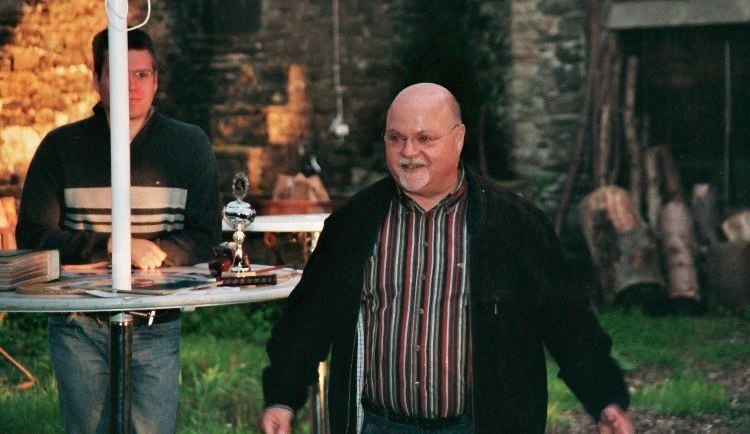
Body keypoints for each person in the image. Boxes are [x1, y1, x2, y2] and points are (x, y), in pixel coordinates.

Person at [260, 83, 633, 434]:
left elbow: (569, 322)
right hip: (379, 425)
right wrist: (281, 398)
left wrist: (605, 399)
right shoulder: (353, 224)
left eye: (425, 139)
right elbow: (306, 321)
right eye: (396, 138)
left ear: (458, 139)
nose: (409, 152)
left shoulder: (514, 224)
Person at [16, 28, 221, 434]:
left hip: (155, 320)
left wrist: (152, 253)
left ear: (156, 80)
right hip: (77, 321)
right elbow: (34, 235)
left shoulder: (188, 145)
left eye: (142, 75)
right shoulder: (61, 147)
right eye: (118, 75)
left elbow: (205, 236)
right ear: (96, 80)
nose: (131, 87)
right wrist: (113, 246)